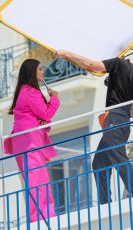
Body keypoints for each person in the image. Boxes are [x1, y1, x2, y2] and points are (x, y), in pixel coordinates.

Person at [56, 50, 133, 204]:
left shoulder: (118, 63)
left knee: (115, 153)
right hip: (122, 121)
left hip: (116, 117)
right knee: (99, 163)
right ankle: (105, 203)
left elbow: (91, 65)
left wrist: (66, 54)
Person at [6, 59, 60, 222]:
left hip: (21, 143)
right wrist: (55, 99)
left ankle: (40, 216)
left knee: (34, 180)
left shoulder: (23, 91)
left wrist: (42, 120)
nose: (42, 71)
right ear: (31, 72)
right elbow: (45, 114)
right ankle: (42, 217)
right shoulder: (31, 92)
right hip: (30, 143)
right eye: (40, 69)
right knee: (38, 179)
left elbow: (33, 115)